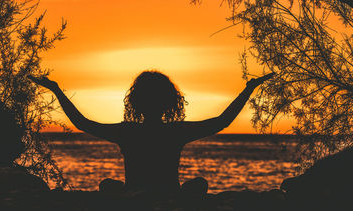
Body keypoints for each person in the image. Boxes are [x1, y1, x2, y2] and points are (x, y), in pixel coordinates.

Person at [30, 70, 273, 195]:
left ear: (134, 103)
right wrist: (248, 89)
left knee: (107, 185)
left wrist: (56, 90)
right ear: (170, 103)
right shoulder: (175, 132)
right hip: (170, 194)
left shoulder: (128, 132)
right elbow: (222, 121)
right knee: (199, 184)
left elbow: (82, 123)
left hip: (134, 193)